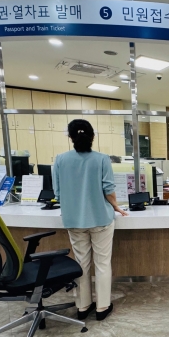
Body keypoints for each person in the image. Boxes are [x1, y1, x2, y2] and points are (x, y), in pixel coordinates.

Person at [53, 119, 128, 321]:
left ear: (70, 137)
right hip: (100, 219)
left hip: (74, 220)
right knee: (102, 263)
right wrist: (116, 206)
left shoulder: (60, 160)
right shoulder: (102, 159)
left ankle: (83, 306)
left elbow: (58, 193)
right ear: (92, 136)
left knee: (82, 264)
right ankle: (102, 308)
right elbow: (109, 190)